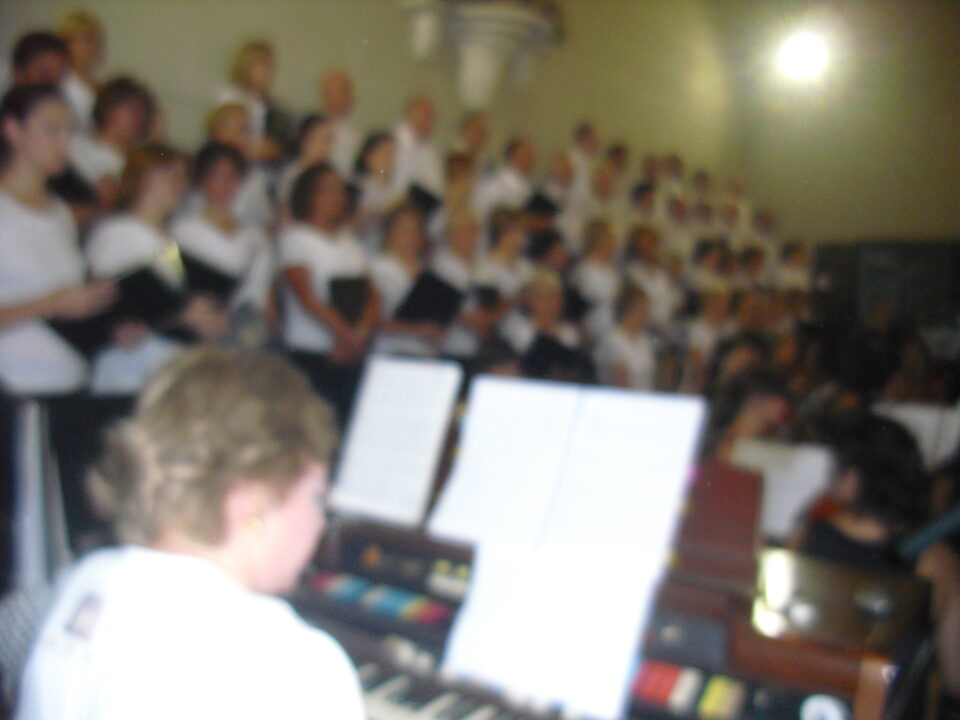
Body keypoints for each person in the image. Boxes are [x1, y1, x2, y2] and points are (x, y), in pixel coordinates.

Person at [15, 346, 366, 720]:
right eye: (317, 500)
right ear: (253, 502)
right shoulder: (297, 664)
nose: (320, 523)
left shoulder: (82, 580)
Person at [0, 84, 116, 395]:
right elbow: (56, 303)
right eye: (52, 130)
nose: (64, 143)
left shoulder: (61, 213)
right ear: (13, 131)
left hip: (68, 381)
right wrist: (50, 304)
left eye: (69, 131)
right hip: (13, 384)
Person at [85, 144, 227, 395]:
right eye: (169, 173)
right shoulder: (117, 232)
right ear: (143, 175)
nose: (179, 183)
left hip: (168, 364)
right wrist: (181, 314)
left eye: (183, 176)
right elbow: (111, 308)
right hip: (130, 368)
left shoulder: (169, 243)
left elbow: (176, 299)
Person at [279, 161, 378, 425]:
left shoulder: (349, 242)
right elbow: (309, 300)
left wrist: (361, 334)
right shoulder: (295, 237)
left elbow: (372, 295)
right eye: (326, 190)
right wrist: (347, 337)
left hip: (350, 351)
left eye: (338, 190)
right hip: (313, 350)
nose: (335, 197)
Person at [171, 142, 275, 346]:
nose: (226, 184)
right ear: (202, 180)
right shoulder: (183, 231)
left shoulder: (256, 237)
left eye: (233, 176)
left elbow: (264, 295)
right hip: (205, 331)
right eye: (218, 175)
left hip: (249, 332)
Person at [69, 76, 155, 208]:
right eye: (131, 110)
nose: (138, 119)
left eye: (143, 113)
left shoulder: (138, 165)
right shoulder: (75, 146)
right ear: (109, 108)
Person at [56, 11, 105, 134]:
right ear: (67, 44)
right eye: (88, 39)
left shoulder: (100, 86)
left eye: (97, 39)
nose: (95, 45)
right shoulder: (61, 86)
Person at [392, 95, 442, 196]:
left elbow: (435, 184)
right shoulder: (393, 142)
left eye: (430, 118)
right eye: (425, 116)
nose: (428, 123)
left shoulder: (429, 147)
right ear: (409, 114)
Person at [318, 69, 359, 178]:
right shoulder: (313, 134)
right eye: (330, 92)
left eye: (341, 91)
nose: (336, 98)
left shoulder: (357, 137)